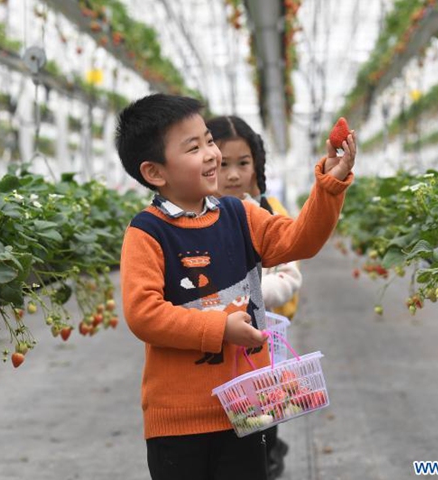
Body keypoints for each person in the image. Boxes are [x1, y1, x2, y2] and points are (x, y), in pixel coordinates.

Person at [116, 93, 355, 480]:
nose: (212, 154)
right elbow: (144, 314)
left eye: (208, 140)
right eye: (194, 148)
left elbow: (299, 241)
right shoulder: (147, 232)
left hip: (247, 408)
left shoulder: (240, 214)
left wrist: (331, 181)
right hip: (179, 421)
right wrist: (220, 328)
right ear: (155, 173)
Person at [207, 115, 302, 479]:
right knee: (219, 421)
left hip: (263, 338)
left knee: (261, 412)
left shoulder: (269, 213)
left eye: (242, 163)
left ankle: (270, 452)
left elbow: (290, 276)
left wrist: (248, 298)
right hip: (213, 340)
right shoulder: (192, 217)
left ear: (256, 166)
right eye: (222, 163)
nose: (232, 175)